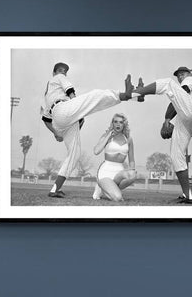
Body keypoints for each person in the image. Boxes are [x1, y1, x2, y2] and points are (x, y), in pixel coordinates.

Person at [39, 63, 136, 198]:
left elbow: (46, 119)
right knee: (95, 95)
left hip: (63, 119)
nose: (63, 73)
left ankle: (55, 189)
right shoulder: (57, 78)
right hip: (63, 109)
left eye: (65, 71)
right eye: (61, 70)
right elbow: (70, 92)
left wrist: (56, 132)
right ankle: (124, 95)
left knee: (74, 154)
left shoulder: (47, 95)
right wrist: (77, 105)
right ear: (54, 72)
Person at [133, 67, 192, 204]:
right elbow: (177, 101)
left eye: (182, 74)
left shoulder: (191, 79)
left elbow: (182, 92)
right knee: (176, 155)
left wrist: (167, 119)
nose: (180, 77)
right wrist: (168, 121)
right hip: (190, 120)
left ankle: (138, 92)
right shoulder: (186, 89)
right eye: (178, 76)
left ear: (189, 74)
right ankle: (188, 196)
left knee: (169, 84)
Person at [90, 113, 140, 202]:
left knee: (133, 175)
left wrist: (132, 169)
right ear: (112, 123)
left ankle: (108, 189)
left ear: (124, 124)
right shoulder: (107, 136)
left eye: (121, 122)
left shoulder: (128, 139)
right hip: (105, 172)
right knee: (117, 198)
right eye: (115, 122)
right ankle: (101, 187)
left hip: (119, 173)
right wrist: (109, 135)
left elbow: (131, 160)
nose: (118, 124)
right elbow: (96, 151)